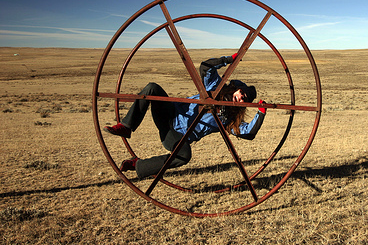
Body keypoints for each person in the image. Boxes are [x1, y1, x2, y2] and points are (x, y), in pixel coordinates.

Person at [103, 53, 266, 179]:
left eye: (245, 99)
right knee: (152, 89)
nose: (241, 97)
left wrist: (261, 112)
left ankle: (138, 165)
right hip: (169, 114)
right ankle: (126, 127)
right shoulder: (215, 87)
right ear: (235, 89)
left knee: (184, 155)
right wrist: (228, 59)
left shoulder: (228, 120)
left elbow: (248, 133)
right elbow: (206, 67)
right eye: (242, 93)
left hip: (175, 136)